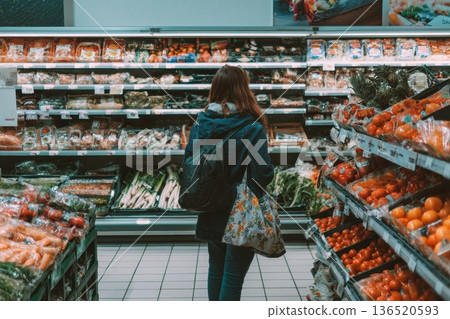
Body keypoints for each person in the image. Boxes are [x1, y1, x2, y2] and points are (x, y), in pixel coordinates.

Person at [183, 65, 274, 301]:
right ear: (244, 89)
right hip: (240, 208)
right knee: (233, 277)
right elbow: (262, 173)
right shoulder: (252, 127)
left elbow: (190, 163)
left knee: (216, 269)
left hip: (210, 205)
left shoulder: (200, 123)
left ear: (215, 89)